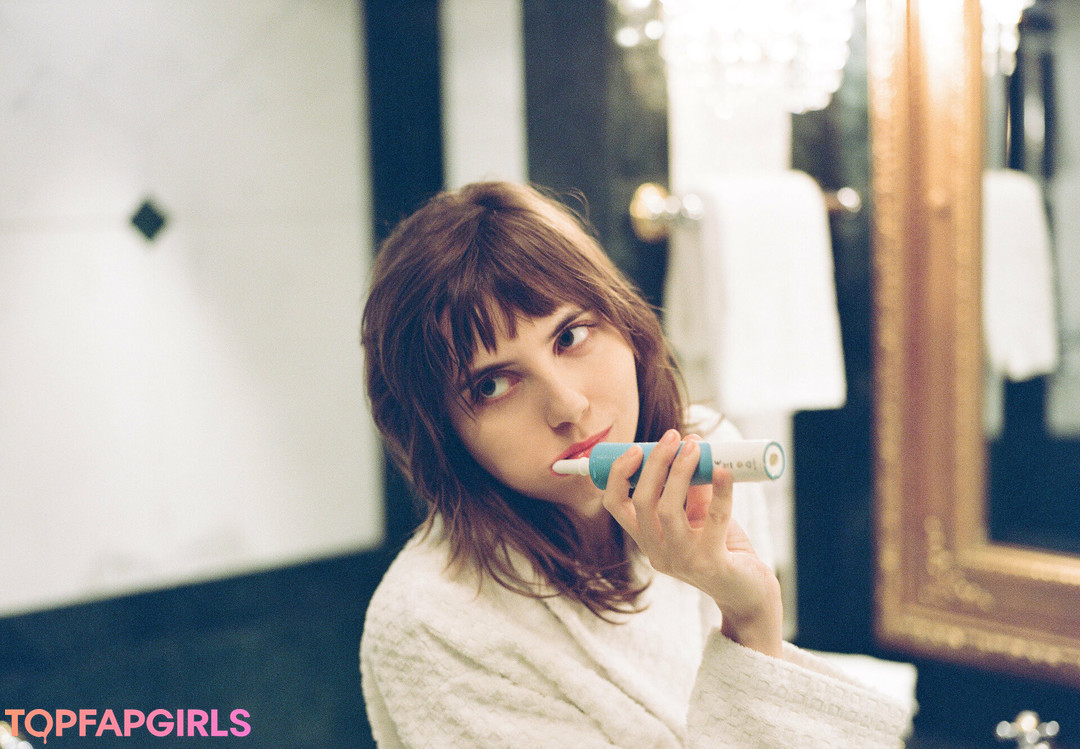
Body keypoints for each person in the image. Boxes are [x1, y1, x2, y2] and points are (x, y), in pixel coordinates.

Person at [359, 181, 910, 747]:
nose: (567, 406)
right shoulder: (431, 620)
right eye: (493, 385)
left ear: (623, 320)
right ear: (441, 434)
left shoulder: (706, 459)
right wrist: (750, 622)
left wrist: (750, 614)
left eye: (571, 335)